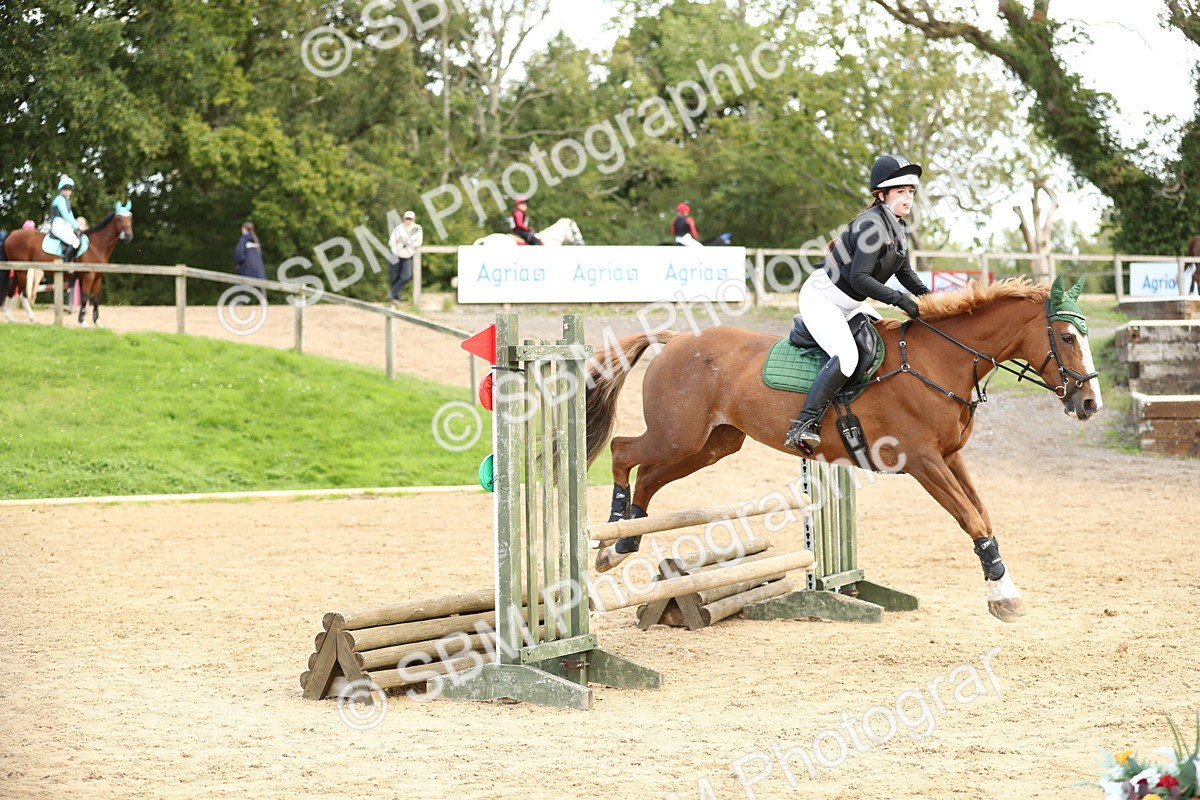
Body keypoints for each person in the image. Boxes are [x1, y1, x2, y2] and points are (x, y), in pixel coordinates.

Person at [783, 154, 932, 453]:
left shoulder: (897, 227)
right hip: (822, 299)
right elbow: (861, 277)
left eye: (910, 191)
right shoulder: (871, 226)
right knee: (847, 357)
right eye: (901, 191)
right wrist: (902, 301)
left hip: (850, 304)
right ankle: (803, 425)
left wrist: (932, 301)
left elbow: (905, 273)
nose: (908, 197)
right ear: (882, 194)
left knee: (884, 342)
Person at [387, 210, 423, 304]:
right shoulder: (398, 228)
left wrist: (407, 242)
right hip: (395, 253)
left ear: (414, 220)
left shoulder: (417, 229)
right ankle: (395, 297)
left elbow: (418, 242)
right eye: (407, 219)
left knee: (406, 276)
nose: (408, 221)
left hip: (407, 255)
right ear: (404, 219)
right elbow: (391, 242)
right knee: (393, 276)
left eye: (410, 219)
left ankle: (392, 293)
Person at [49, 175, 83, 262]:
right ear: (61, 189)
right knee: (75, 242)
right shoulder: (60, 199)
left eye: (69, 189)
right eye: (65, 189)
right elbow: (66, 216)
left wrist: (77, 226)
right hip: (58, 224)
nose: (67, 191)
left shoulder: (66, 201)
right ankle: (66, 262)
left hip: (64, 224)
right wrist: (77, 226)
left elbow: (70, 216)